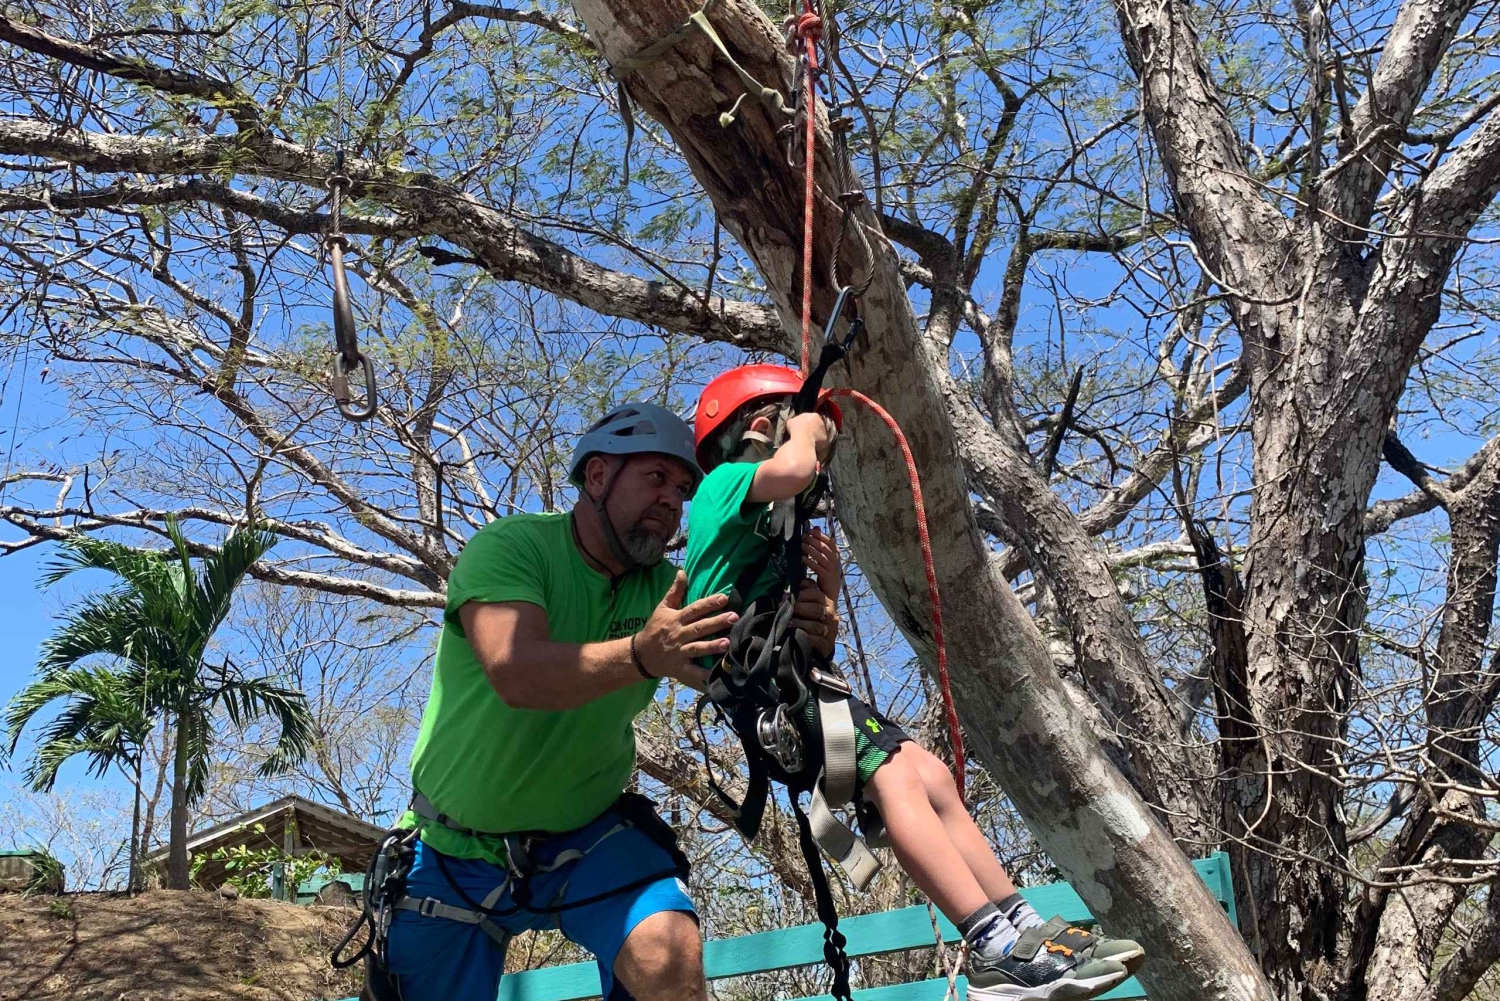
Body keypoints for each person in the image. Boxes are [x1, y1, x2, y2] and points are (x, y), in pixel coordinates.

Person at [684, 365, 1147, 1001]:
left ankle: (1024, 924)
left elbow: (802, 629)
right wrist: (808, 432)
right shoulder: (722, 485)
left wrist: (828, 594)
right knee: (895, 777)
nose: (818, 468)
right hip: (766, 693)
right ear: (762, 428)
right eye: (808, 441)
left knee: (930, 775)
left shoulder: (766, 528)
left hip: (795, 680)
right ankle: (991, 947)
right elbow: (792, 469)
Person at [379, 401, 844, 1001]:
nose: (672, 501)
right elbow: (515, 673)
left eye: (682, 490)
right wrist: (640, 655)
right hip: (449, 849)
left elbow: (741, 675)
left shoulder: (669, 590)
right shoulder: (513, 548)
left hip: (588, 835)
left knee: (667, 954)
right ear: (597, 476)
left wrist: (812, 633)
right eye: (656, 478)